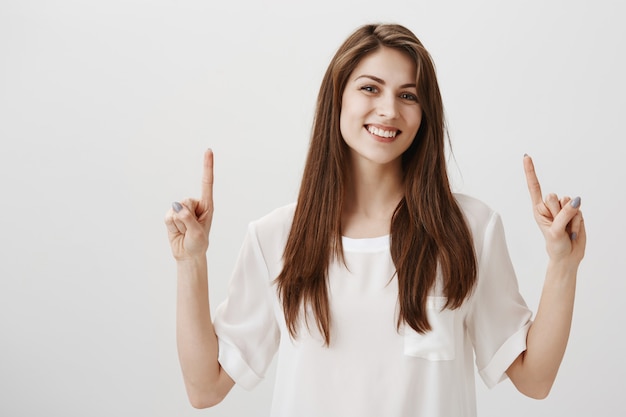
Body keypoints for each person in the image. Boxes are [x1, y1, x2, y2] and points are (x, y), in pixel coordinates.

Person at [164, 23, 586, 417]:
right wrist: (190, 262)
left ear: (425, 114)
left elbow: (535, 379)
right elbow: (205, 388)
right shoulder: (276, 237)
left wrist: (563, 265)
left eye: (408, 95)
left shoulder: (471, 229)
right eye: (370, 88)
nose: (388, 110)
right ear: (338, 99)